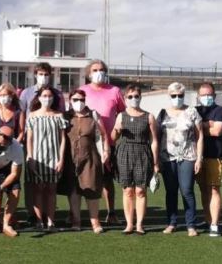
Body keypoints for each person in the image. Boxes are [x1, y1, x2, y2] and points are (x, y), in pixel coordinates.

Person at [79, 59, 125, 224]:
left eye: (102, 70)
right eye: (95, 70)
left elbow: (122, 113)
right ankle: (79, 214)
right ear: (89, 74)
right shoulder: (82, 91)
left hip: (109, 143)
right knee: (84, 178)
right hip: (87, 143)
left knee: (107, 179)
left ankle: (111, 212)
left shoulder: (115, 91)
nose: (99, 73)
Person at [19, 62, 64, 223]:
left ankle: (48, 214)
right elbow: (22, 114)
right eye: (40, 74)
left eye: (46, 74)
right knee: (31, 181)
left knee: (50, 184)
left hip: (52, 142)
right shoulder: (26, 93)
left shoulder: (57, 94)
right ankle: (32, 212)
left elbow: (62, 115)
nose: (43, 77)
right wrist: (21, 135)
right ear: (35, 75)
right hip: (32, 141)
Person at [111, 84, 159, 235]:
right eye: (130, 96)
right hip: (124, 153)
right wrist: (116, 130)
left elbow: (154, 141)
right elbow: (113, 138)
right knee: (128, 190)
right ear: (125, 98)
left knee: (140, 190)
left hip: (143, 153)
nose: (133, 99)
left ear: (140, 97)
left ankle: (139, 224)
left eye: (136, 96)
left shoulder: (149, 116)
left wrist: (156, 162)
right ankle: (129, 224)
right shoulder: (121, 116)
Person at [158, 82, 203, 237]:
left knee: (187, 190)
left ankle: (191, 225)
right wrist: (157, 160)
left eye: (180, 95)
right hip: (167, 157)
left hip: (188, 156)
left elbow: (199, 136)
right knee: (171, 191)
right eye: (174, 95)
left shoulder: (192, 111)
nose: (177, 98)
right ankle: (171, 223)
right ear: (169, 95)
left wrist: (199, 158)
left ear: (184, 95)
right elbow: (157, 136)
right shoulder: (163, 113)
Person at [62, 89, 109, 233]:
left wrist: (106, 151)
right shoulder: (65, 116)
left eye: (81, 99)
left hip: (90, 157)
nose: (79, 102)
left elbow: (103, 135)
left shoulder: (93, 115)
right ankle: (76, 221)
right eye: (75, 99)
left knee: (91, 189)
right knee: (74, 190)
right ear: (70, 100)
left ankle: (95, 222)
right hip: (70, 158)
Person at [26, 86, 68, 231]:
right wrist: (30, 157)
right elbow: (29, 138)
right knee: (37, 190)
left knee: (51, 190)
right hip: (37, 158)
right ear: (39, 98)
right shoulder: (32, 115)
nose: (47, 99)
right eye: (44, 96)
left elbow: (63, 139)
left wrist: (61, 159)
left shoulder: (58, 116)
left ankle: (51, 221)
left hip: (54, 157)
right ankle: (39, 221)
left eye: (50, 96)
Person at [195, 82, 222, 237]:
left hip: (215, 156)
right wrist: (208, 124)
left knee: (214, 188)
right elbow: (191, 129)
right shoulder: (195, 110)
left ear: (214, 95)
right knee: (203, 189)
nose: (206, 97)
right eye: (203, 95)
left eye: (209, 95)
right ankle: (207, 219)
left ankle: (214, 225)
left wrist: (199, 127)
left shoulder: (220, 111)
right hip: (198, 156)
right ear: (198, 96)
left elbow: (217, 131)